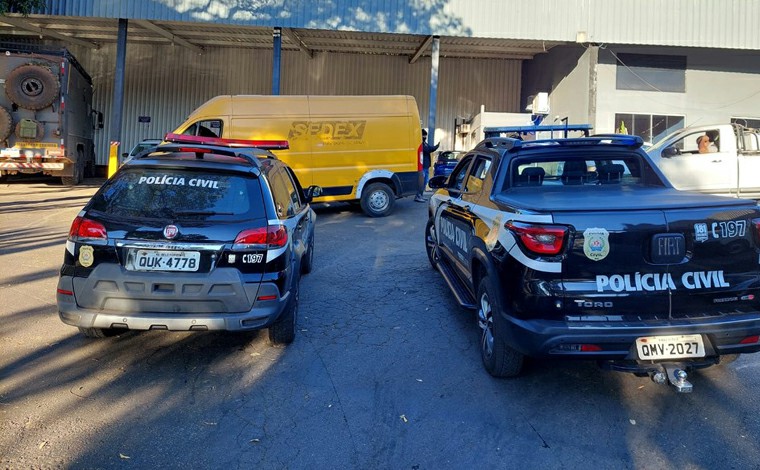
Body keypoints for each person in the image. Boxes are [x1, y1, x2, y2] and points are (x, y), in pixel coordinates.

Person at [415, 129, 440, 202]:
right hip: (422, 166)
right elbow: (429, 149)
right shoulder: (420, 144)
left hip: (426, 166)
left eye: (425, 135)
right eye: (424, 135)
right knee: (422, 182)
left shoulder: (424, 143)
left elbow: (430, 148)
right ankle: (418, 196)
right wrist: (436, 146)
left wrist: (436, 146)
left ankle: (421, 195)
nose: (425, 137)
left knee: (425, 182)